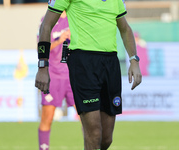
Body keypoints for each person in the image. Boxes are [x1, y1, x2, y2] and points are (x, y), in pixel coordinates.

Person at [35, 0, 142, 149]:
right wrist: (43, 66)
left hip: (110, 63)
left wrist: (134, 60)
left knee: (106, 139)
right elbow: (46, 25)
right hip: (83, 63)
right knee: (94, 135)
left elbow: (125, 29)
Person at [37, 11, 75, 150]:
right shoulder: (47, 19)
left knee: (88, 117)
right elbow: (41, 47)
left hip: (74, 75)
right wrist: (59, 39)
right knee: (47, 118)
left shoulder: (75, 17)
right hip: (53, 77)